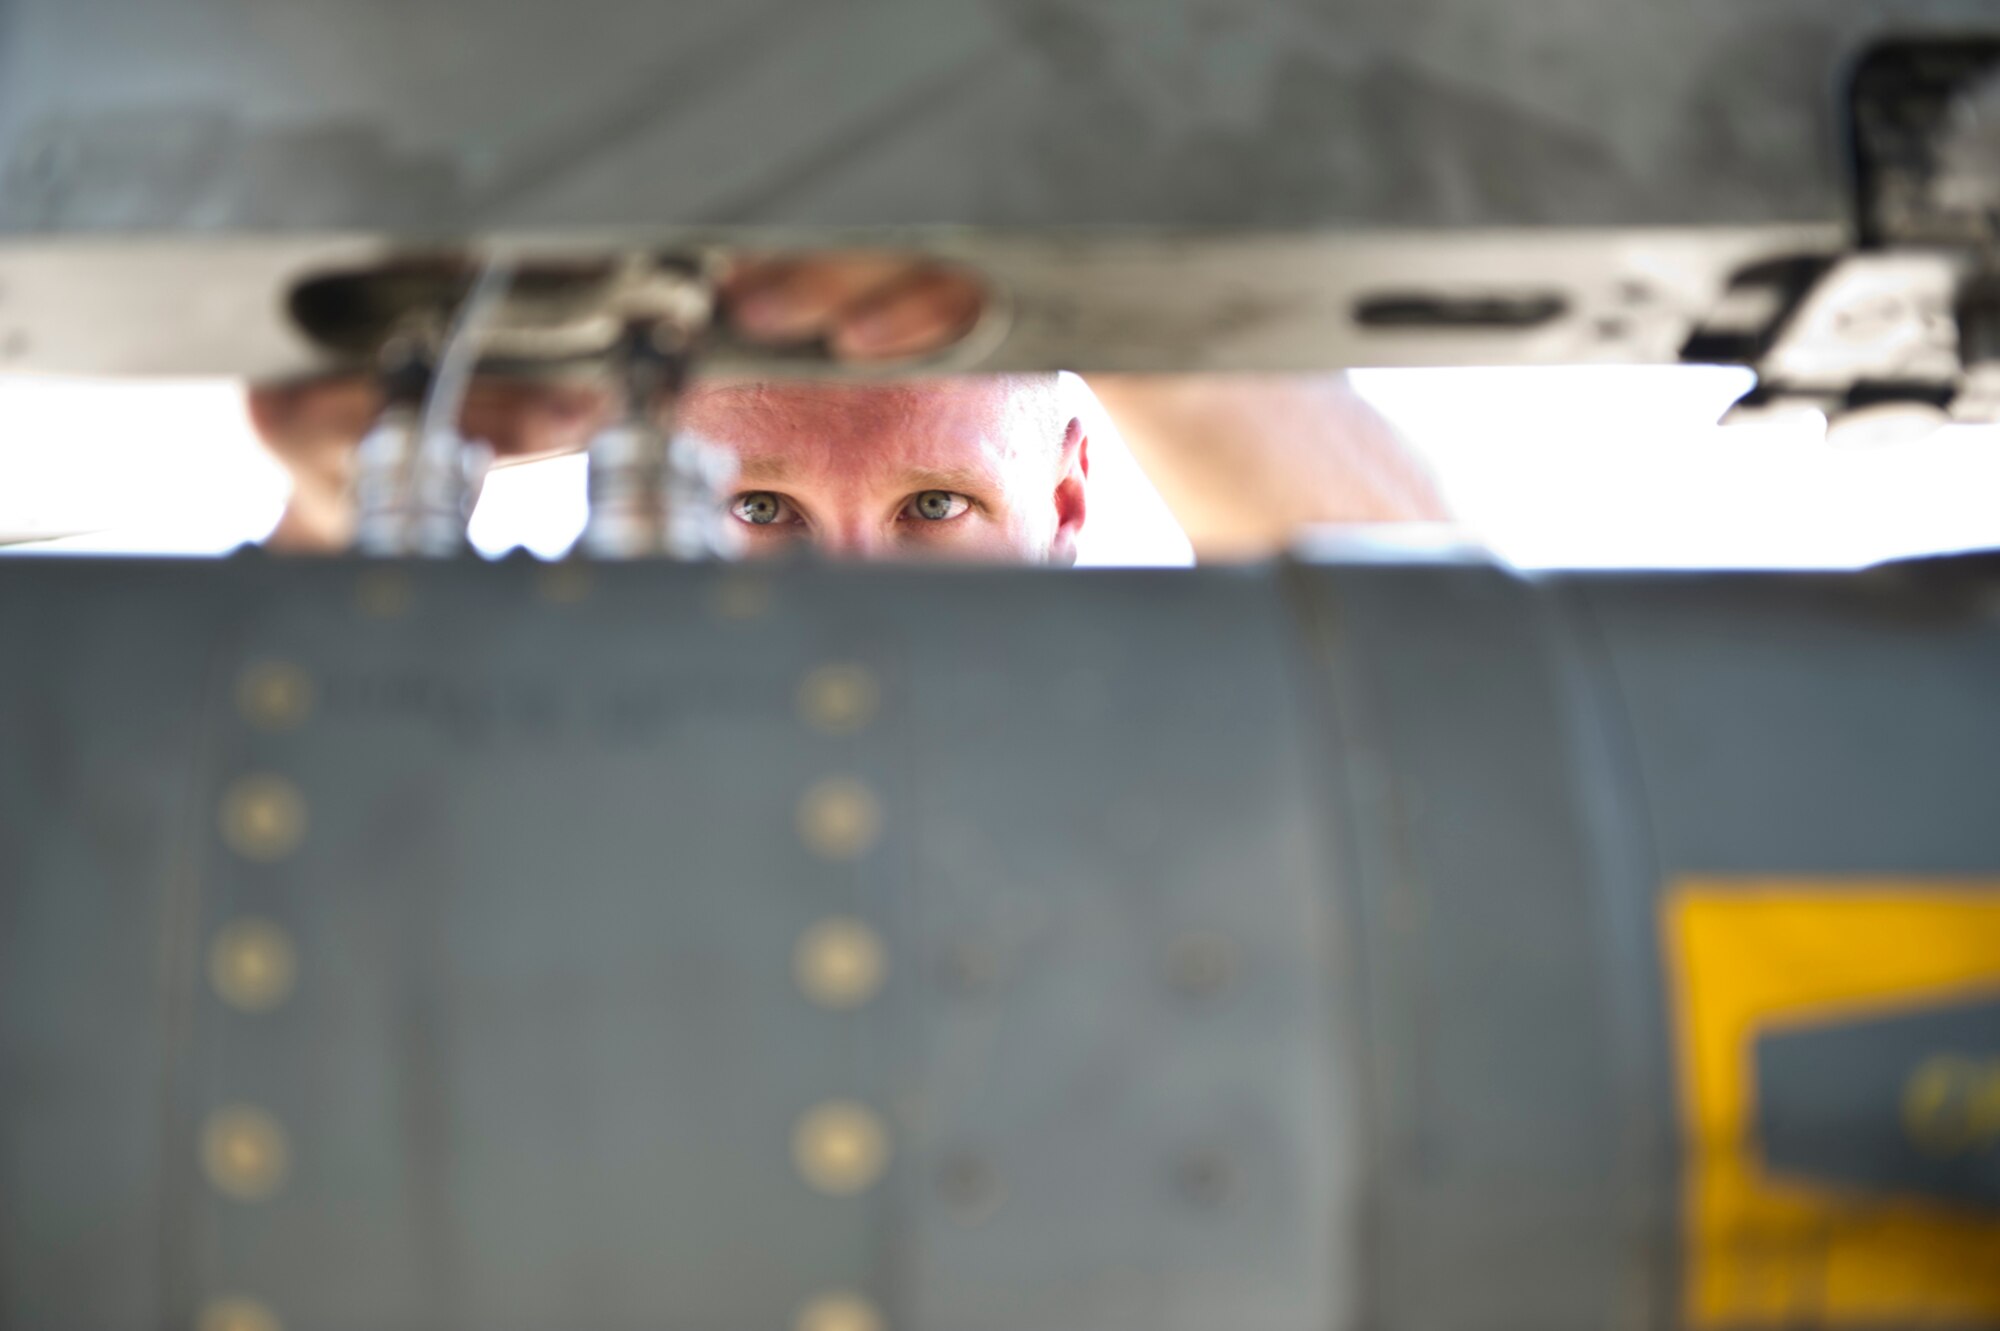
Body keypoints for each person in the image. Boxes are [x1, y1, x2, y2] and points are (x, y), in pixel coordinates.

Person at [249, 254, 1448, 558]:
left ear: (1067, 492)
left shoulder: (1182, 761)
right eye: (759, 510)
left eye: (935, 502)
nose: (853, 589)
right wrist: (334, 508)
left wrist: (1149, 330)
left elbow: (1452, 714)